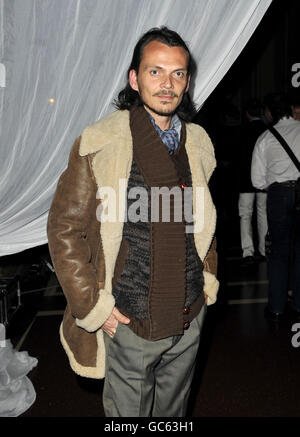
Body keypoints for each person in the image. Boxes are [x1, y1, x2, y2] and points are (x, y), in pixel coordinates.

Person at [47, 26, 219, 417]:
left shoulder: (198, 144)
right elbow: (64, 229)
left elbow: (204, 221)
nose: (167, 84)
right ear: (134, 78)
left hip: (190, 316)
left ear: (187, 81)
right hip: (130, 324)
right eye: (155, 71)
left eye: (178, 73)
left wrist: (207, 280)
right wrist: (94, 306)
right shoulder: (101, 142)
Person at [251, 93, 300, 323]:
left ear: (270, 112)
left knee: (279, 253)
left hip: (279, 195)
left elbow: (257, 181)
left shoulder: (265, 138)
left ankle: (277, 306)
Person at [238, 99, 268, 266]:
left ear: (247, 114)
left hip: (245, 180)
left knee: (245, 215)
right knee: (263, 213)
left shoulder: (242, 130)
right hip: (263, 179)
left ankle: (247, 251)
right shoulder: (266, 130)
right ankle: (264, 250)